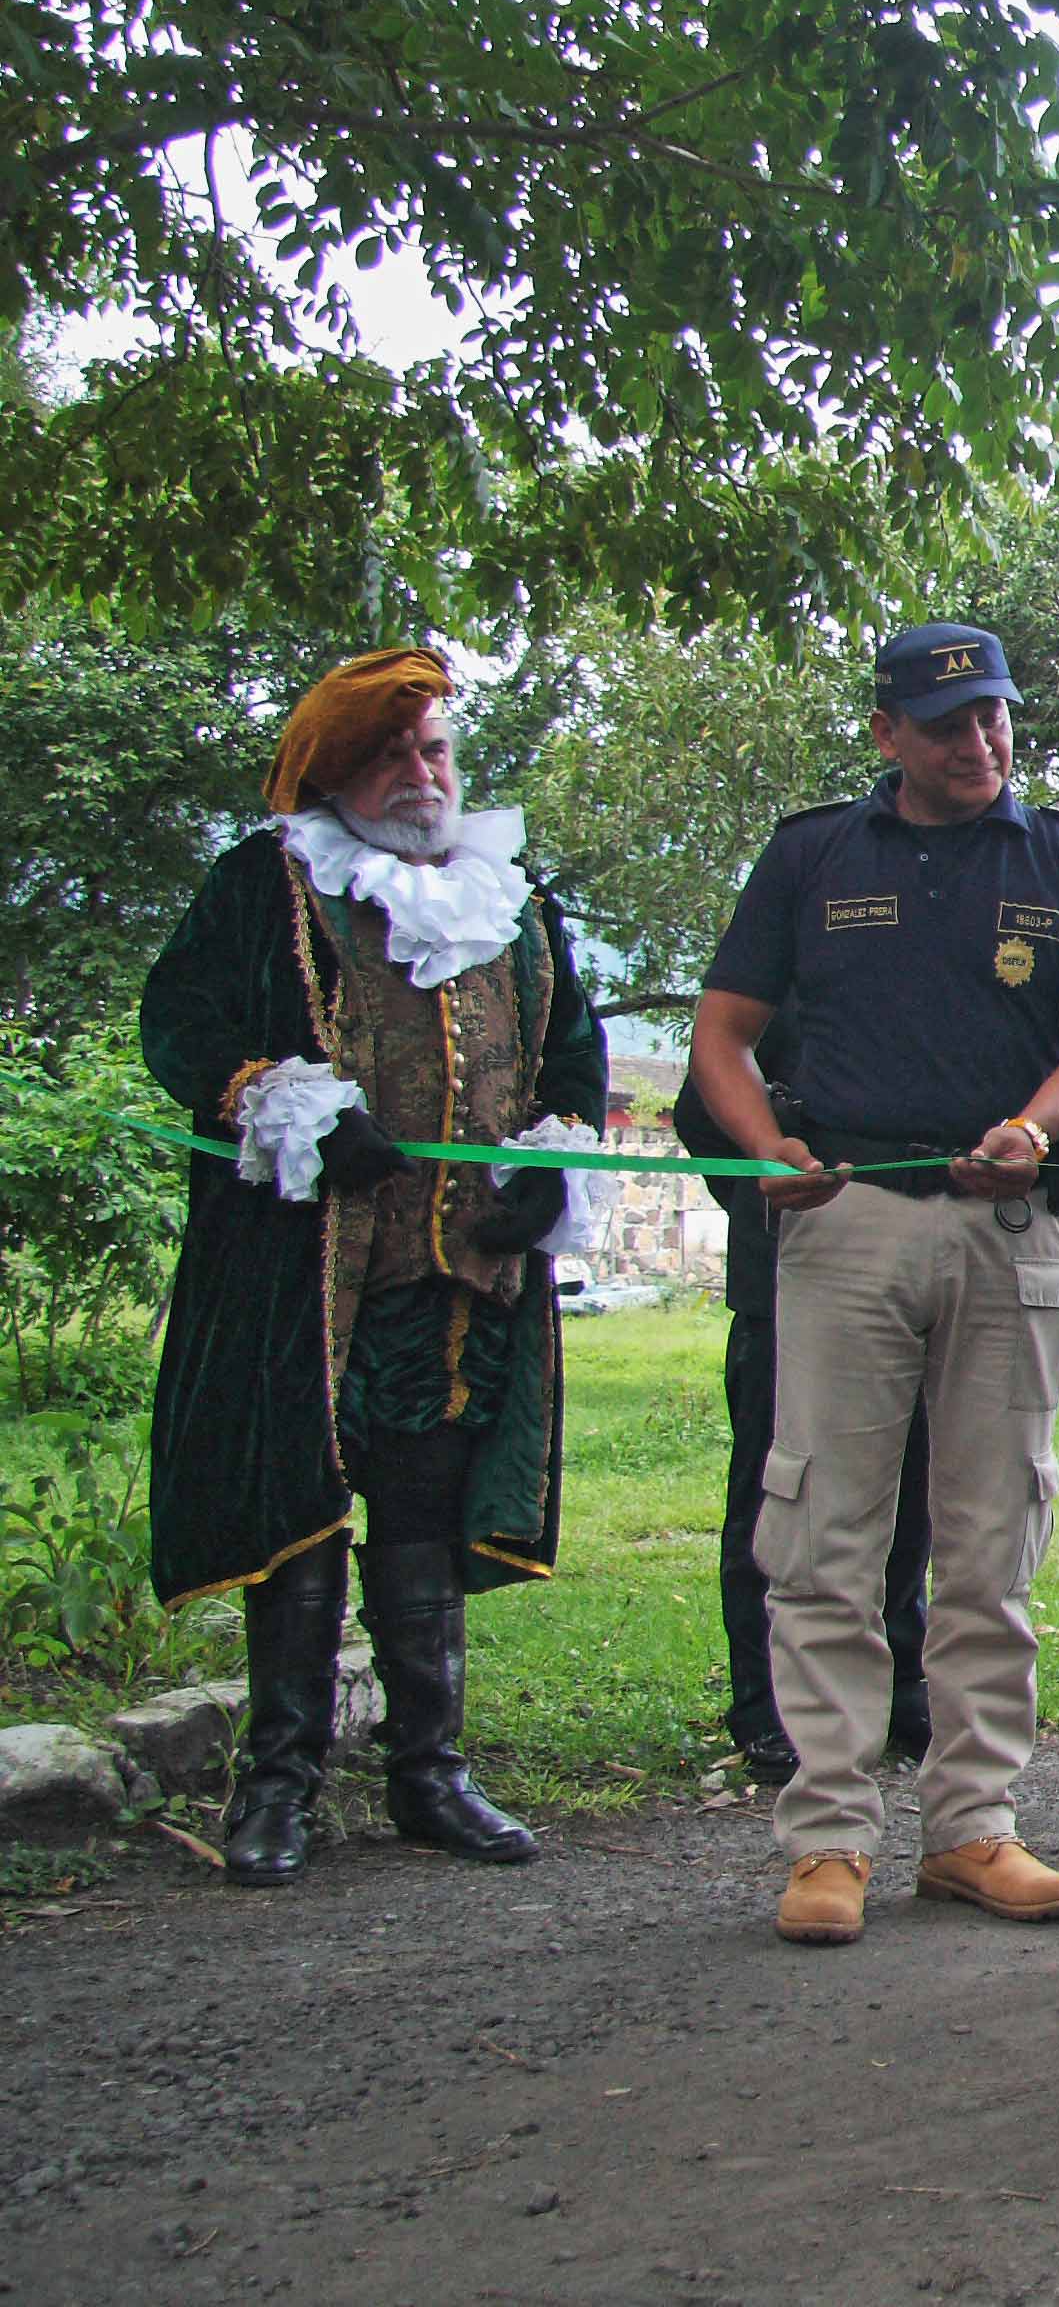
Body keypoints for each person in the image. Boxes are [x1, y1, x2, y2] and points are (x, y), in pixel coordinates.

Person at [689, 622, 1059, 1948]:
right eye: (945, 726)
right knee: (825, 1532)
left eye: (992, 716)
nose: (978, 743)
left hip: (1012, 1229)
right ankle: (828, 1834)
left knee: (994, 1539)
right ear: (887, 735)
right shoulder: (813, 854)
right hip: (847, 1224)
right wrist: (762, 1148)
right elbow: (722, 1035)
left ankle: (971, 1827)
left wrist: (1038, 1130)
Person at [140, 648, 606, 1885]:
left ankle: (429, 1774)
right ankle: (279, 1782)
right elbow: (179, 1021)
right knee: (298, 1509)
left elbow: (571, 1049)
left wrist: (551, 1157)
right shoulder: (269, 882)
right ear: (332, 771)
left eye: (434, 751)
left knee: (424, 1501)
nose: (420, 775)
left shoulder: (514, 898)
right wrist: (280, 1098)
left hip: (457, 1275)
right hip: (303, 1271)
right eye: (390, 756)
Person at [672, 1008, 935, 1790]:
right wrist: (768, 1198)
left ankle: (899, 1681)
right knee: (780, 1497)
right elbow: (705, 1108)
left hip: (914, 1275)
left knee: (910, 1492)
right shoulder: (791, 977)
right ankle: (769, 1704)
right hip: (789, 1277)